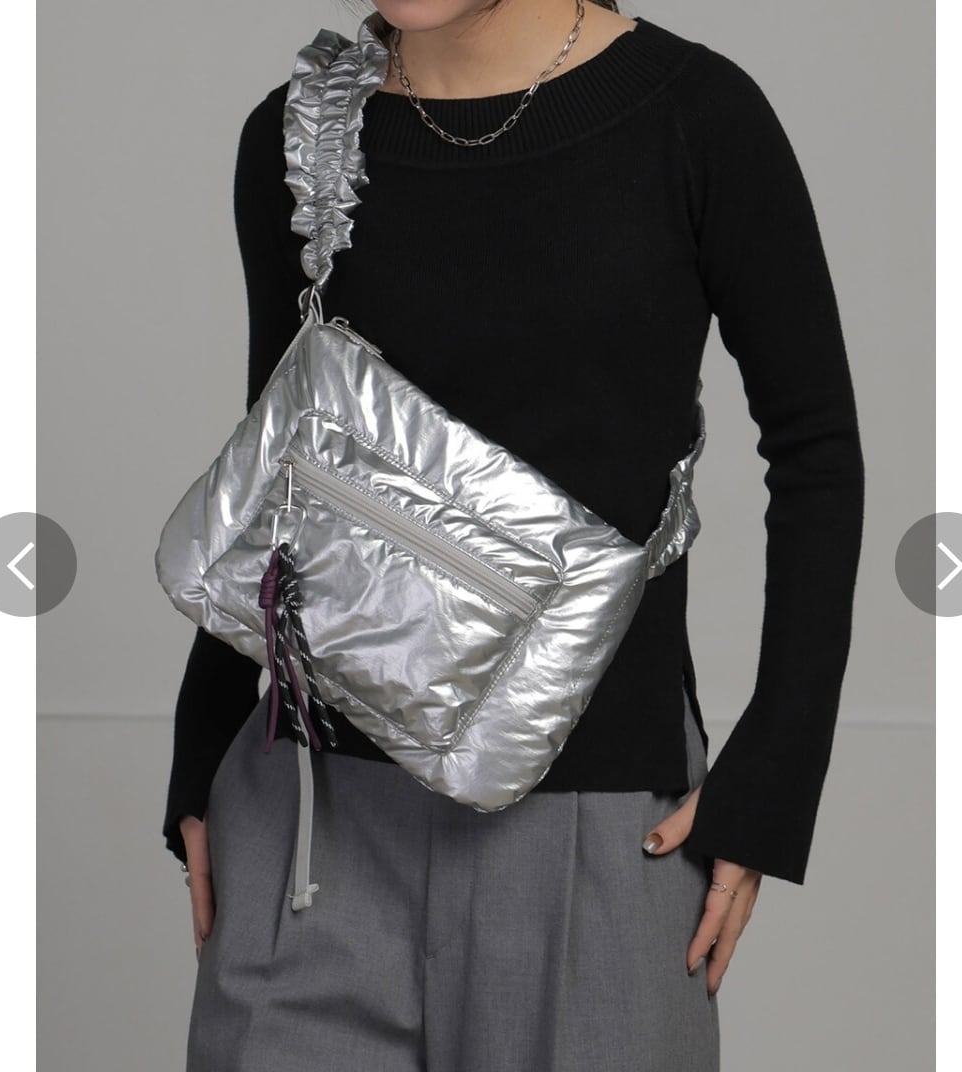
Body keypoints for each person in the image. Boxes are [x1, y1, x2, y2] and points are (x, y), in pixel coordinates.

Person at [161, 1, 865, 1068]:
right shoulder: (299, 132)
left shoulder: (695, 117)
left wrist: (774, 773)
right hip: (308, 815)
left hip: (597, 822)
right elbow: (278, 463)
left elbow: (815, 449)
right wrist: (202, 748)